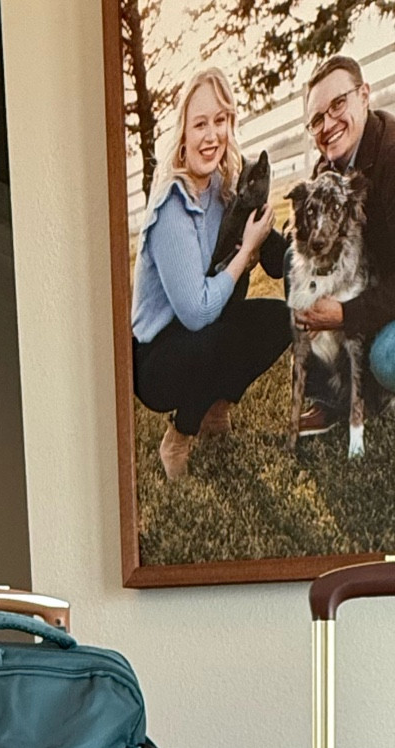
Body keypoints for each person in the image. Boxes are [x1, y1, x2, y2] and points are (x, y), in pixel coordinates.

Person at [131, 67, 289, 481]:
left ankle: (215, 409)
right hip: (156, 360)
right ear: (183, 131)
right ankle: (178, 436)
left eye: (220, 121)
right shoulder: (172, 206)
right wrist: (246, 253)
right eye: (200, 123)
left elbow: (266, 249)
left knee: (279, 321)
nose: (212, 135)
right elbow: (197, 314)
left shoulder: (224, 184)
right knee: (213, 338)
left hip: (200, 334)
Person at [294, 53, 395, 431]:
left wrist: (346, 315)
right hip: (387, 269)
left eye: (338, 104)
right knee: (300, 276)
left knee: (392, 359)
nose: (328, 124)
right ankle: (328, 399)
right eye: (316, 119)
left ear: (364, 95)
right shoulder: (328, 167)